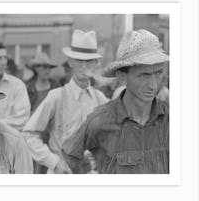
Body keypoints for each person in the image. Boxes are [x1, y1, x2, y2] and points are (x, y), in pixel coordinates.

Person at [62, 29, 169, 174]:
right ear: (122, 77)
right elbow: (70, 153)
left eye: (158, 73)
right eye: (144, 75)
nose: (153, 85)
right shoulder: (100, 120)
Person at [23, 29, 109, 174]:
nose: (83, 66)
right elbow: (29, 135)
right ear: (70, 62)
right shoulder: (56, 96)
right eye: (79, 60)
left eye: (88, 61)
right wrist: (54, 162)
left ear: (95, 63)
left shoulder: (100, 99)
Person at [0, 40, 30, 131]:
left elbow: (21, 120)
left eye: (5, 58)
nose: (4, 62)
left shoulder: (17, 86)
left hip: (9, 142)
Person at [25, 52, 60, 173]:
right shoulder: (28, 88)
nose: (47, 70)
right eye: (44, 67)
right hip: (34, 133)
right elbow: (25, 111)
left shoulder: (56, 86)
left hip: (51, 133)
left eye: (49, 67)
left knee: (51, 165)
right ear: (36, 68)